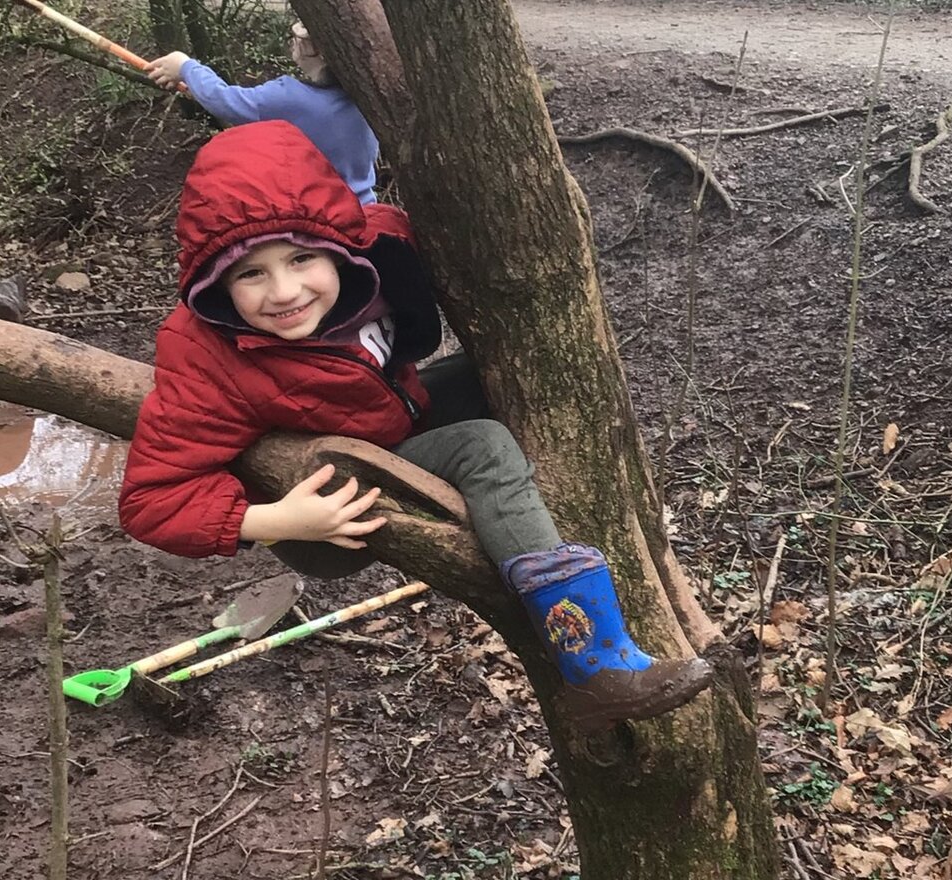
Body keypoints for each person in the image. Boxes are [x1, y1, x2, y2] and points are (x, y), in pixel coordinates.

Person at [119, 120, 713, 731]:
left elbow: (409, 226)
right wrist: (279, 522)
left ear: (338, 249)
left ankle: (535, 517)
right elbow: (149, 501)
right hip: (324, 518)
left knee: (499, 372)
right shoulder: (206, 357)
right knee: (483, 445)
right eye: (251, 274)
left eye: (301, 258)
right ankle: (594, 668)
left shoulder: (379, 254)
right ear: (214, 283)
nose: (285, 291)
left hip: (383, 425)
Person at [145, 21, 380, 204]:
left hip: (322, 222)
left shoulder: (290, 97)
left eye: (299, 36)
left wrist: (185, 66)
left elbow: (227, 102)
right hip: (366, 212)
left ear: (316, 49)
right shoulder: (369, 97)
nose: (293, 40)